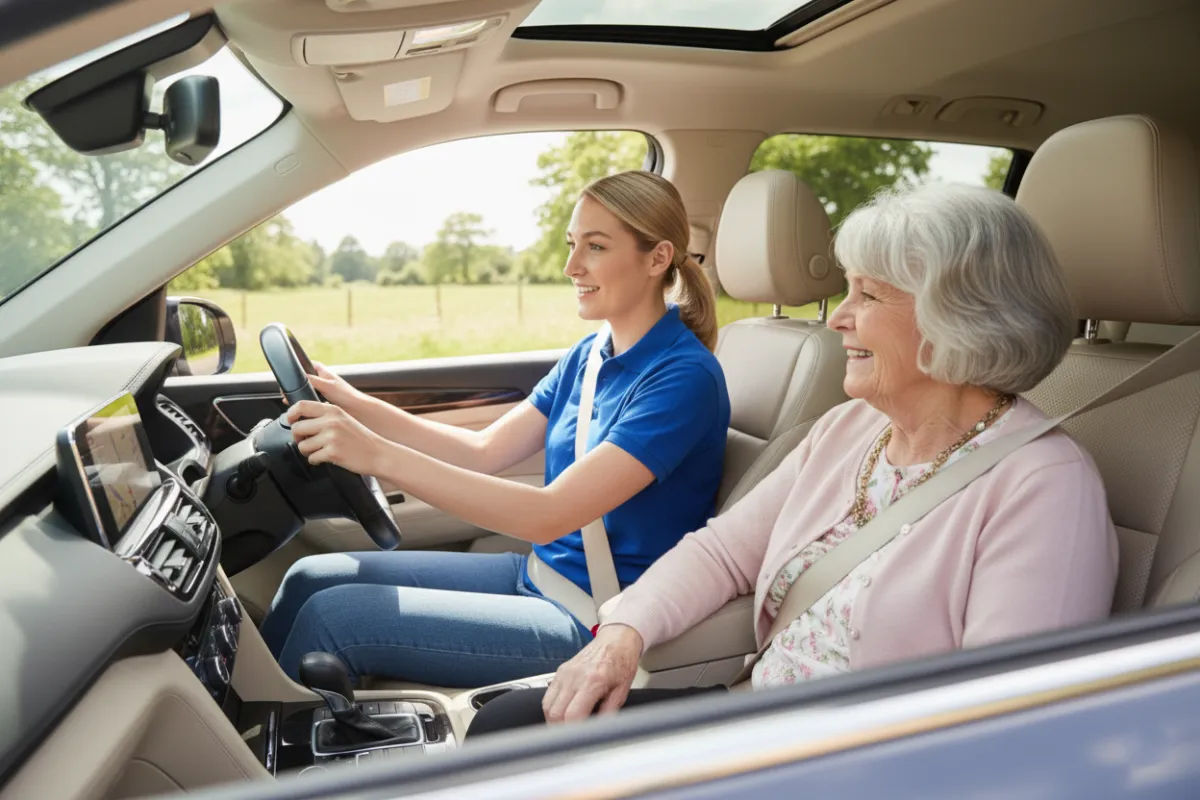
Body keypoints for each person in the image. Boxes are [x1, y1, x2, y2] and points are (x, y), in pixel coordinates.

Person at [467, 182, 1119, 736]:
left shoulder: (1044, 487)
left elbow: (1007, 731)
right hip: (765, 718)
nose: (838, 319)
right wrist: (621, 634)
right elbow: (722, 552)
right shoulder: (850, 430)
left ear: (961, 316)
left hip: (860, 761)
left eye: (868, 296)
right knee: (509, 727)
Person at [259, 170, 732, 688]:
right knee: (309, 577)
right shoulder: (591, 354)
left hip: (598, 619)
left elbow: (549, 516)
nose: (571, 266)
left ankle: (262, 740)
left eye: (595, 247)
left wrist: (374, 454)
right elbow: (484, 450)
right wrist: (353, 402)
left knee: (333, 618)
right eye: (572, 244)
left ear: (658, 258)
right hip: (538, 576)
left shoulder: (683, 378)